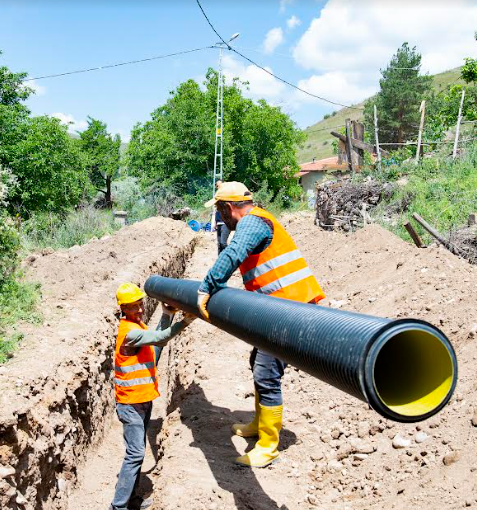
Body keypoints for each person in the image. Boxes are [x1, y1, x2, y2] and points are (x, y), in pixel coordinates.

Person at [196, 182, 325, 468]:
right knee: (258, 360)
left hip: (290, 310)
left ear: (228, 208)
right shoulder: (257, 220)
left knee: (267, 373)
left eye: (219, 211)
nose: (219, 218)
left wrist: (207, 287)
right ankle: (258, 423)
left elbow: (232, 254)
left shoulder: (253, 224)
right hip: (276, 308)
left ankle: (268, 445)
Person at [110, 283, 196, 510]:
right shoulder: (130, 332)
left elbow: (156, 348)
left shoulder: (137, 324)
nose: (139, 310)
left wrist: (167, 313)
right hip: (130, 404)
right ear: (123, 308)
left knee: (136, 454)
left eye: (140, 304)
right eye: (133, 307)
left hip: (142, 401)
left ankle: (133, 501)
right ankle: (118, 507)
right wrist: (184, 322)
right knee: (135, 453)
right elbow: (161, 337)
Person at [213, 180, 231, 253]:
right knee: (219, 244)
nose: (218, 187)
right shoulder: (217, 196)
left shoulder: (228, 195)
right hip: (219, 223)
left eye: (220, 185)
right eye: (217, 186)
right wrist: (214, 222)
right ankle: (220, 260)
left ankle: (230, 257)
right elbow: (216, 211)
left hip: (225, 223)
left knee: (223, 243)